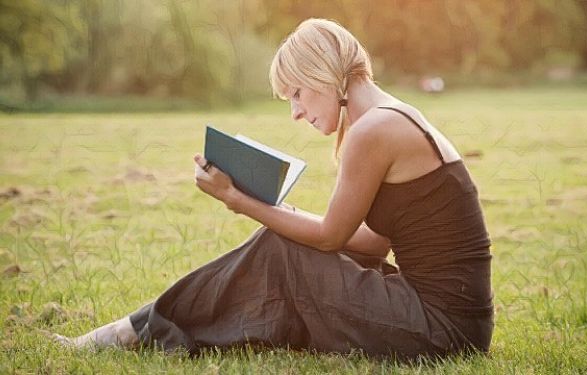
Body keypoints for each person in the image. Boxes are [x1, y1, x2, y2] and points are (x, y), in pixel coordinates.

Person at [53, 18, 494, 359]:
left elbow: (330, 238)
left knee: (280, 247)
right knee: (280, 242)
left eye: (297, 94)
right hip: (452, 322)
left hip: (442, 329)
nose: (296, 114)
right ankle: (142, 328)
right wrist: (284, 214)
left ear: (322, 74)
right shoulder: (389, 117)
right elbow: (374, 244)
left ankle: (133, 331)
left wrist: (239, 200)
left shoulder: (373, 131)